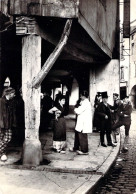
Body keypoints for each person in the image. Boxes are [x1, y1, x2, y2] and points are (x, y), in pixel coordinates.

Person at [69, 90, 92, 155]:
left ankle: (84, 150)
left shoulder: (86, 103)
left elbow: (78, 111)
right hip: (81, 121)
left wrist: (75, 109)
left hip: (83, 122)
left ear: (84, 96)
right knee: (77, 134)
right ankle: (76, 147)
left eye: (81, 96)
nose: (80, 97)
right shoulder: (83, 102)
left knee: (82, 136)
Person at [0, 87, 16, 161]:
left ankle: (1, 152)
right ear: (9, 93)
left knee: (8, 138)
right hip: (1, 124)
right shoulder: (1, 101)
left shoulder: (11, 102)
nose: (14, 95)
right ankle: (2, 153)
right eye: (13, 93)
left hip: (8, 124)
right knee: (1, 138)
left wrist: (13, 122)